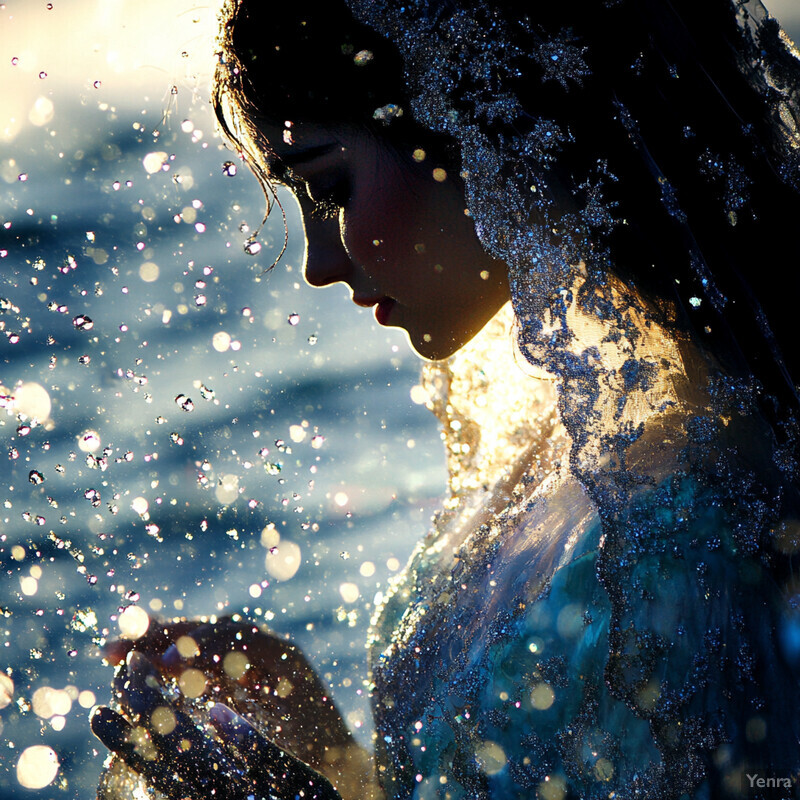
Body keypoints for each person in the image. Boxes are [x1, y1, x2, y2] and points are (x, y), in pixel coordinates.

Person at [91, 0, 800, 798]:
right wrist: (327, 754)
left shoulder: (722, 517)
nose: (318, 264)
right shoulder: (563, 425)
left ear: (474, 116)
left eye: (328, 185)